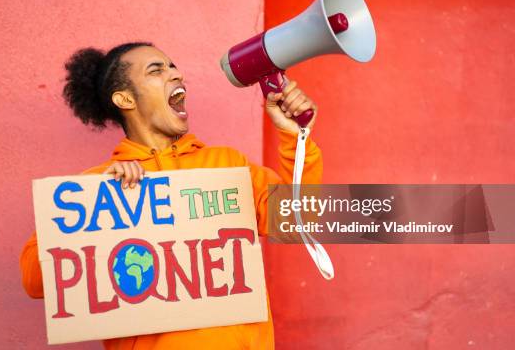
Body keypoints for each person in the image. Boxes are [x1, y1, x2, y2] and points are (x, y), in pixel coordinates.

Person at [19, 42, 323, 349]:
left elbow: (301, 219)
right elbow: (34, 278)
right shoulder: (98, 186)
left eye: (173, 66)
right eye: (157, 70)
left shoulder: (227, 166)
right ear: (124, 98)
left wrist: (295, 136)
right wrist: (104, 208)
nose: (175, 74)